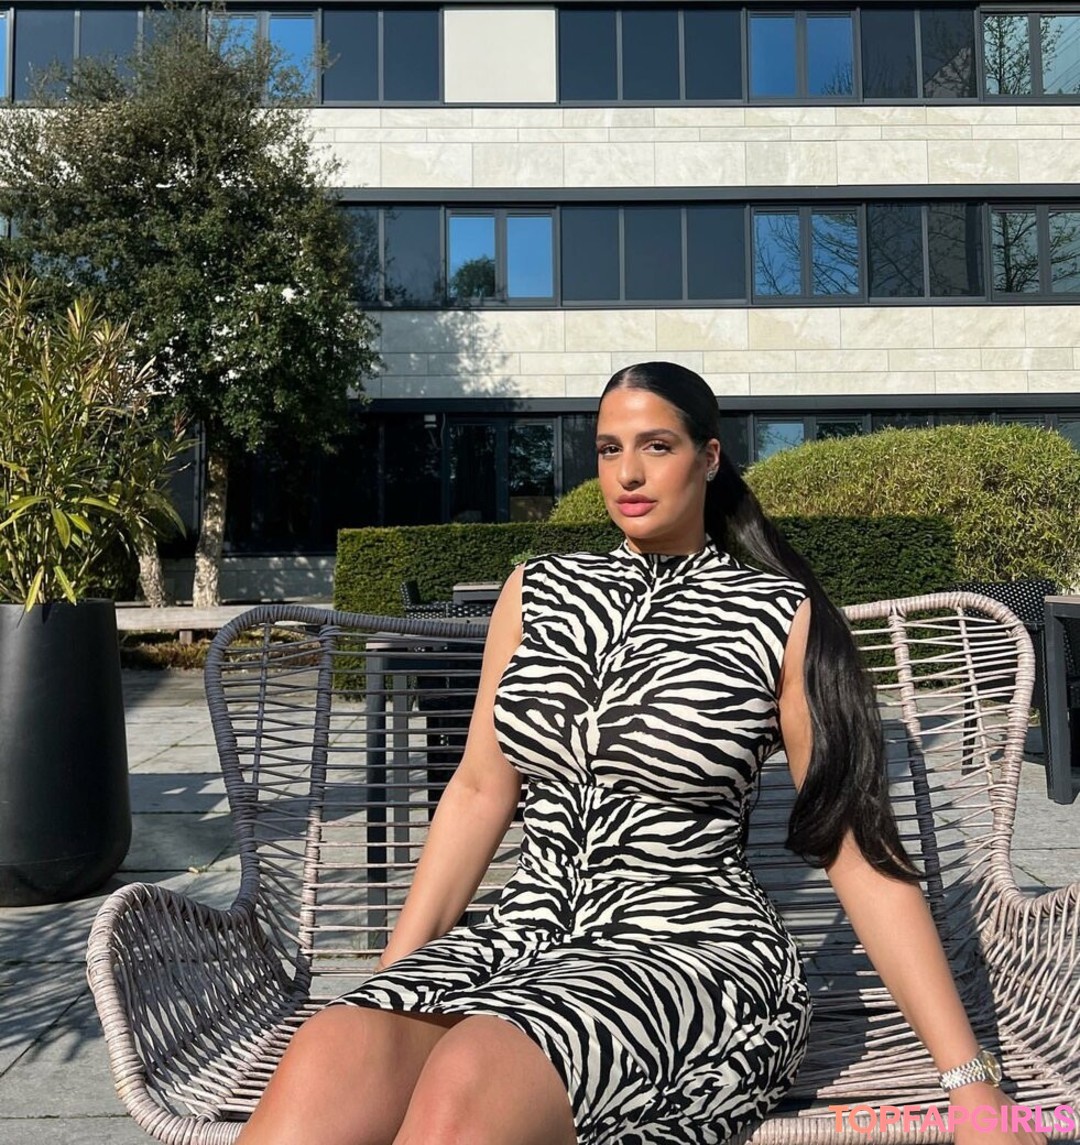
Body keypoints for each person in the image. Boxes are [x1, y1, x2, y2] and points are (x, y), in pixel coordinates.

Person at [238, 362, 1046, 1145]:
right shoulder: (538, 591)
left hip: (694, 955)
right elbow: (480, 790)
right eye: (609, 448)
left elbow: (853, 845)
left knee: (471, 1076)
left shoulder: (777, 614)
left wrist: (969, 1078)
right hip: (524, 936)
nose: (627, 472)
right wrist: (396, 982)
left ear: (709, 456)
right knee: (335, 1046)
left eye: (657, 445)